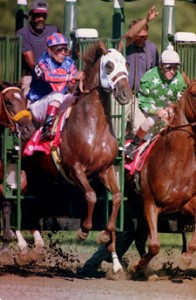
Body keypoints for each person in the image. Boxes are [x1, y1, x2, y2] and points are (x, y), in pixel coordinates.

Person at [125, 44, 187, 160]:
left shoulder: (180, 80)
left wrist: (171, 108)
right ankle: (134, 145)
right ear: (161, 66)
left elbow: (180, 99)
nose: (172, 71)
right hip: (148, 112)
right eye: (169, 67)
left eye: (175, 68)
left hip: (169, 112)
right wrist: (156, 111)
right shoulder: (148, 77)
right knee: (149, 121)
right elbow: (142, 102)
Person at [27, 32, 84, 142]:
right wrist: (73, 76)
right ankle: (46, 129)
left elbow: (73, 82)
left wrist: (81, 78)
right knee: (57, 95)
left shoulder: (69, 62)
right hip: (38, 105)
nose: (63, 53)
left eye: (65, 49)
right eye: (59, 49)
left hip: (57, 102)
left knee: (76, 97)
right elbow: (49, 76)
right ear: (50, 50)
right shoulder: (42, 61)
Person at [118, 6, 159, 138]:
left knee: (145, 133)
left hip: (144, 98)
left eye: (145, 37)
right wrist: (146, 20)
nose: (143, 40)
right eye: (140, 37)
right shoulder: (124, 45)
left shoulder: (152, 48)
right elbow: (129, 35)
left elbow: (157, 72)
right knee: (119, 134)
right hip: (124, 97)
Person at [16, 0, 59, 96]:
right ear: (31, 15)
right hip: (31, 78)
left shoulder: (53, 30)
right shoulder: (22, 33)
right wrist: (49, 75)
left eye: (44, 16)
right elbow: (32, 64)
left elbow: (63, 52)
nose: (41, 19)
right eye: (38, 15)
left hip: (56, 77)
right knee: (28, 103)